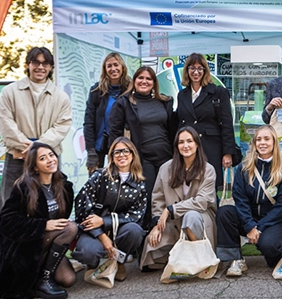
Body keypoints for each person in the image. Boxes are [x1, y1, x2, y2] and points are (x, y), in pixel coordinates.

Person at [0, 142, 78, 299]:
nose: (50, 160)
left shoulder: (64, 186)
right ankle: (42, 280)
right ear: (35, 167)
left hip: (49, 242)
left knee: (68, 279)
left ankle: (41, 276)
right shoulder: (24, 188)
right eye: (43, 158)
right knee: (70, 228)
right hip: (27, 245)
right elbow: (6, 220)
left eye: (51, 155)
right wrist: (43, 225)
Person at [0, 47, 72, 212]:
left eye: (45, 63)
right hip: (17, 158)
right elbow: (5, 123)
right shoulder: (9, 92)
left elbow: (62, 125)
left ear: (51, 67)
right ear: (28, 64)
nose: (40, 67)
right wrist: (29, 148)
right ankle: (3, 240)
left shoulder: (61, 97)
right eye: (36, 62)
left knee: (48, 208)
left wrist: (39, 150)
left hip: (48, 161)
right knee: (8, 209)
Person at [216, 125, 282, 277]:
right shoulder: (243, 169)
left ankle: (276, 249)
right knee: (225, 212)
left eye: (266, 139)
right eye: (258, 139)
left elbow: (281, 207)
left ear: (274, 143)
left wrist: (258, 228)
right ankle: (236, 259)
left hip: (275, 220)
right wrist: (250, 225)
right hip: (249, 218)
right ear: (254, 144)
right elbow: (240, 200)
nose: (262, 143)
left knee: (270, 248)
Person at [141, 126, 218, 271]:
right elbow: (158, 199)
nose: (186, 145)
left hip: (200, 218)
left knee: (190, 216)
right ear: (177, 146)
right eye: (181, 142)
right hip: (173, 221)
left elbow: (202, 202)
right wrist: (157, 224)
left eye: (190, 141)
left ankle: (200, 258)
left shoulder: (208, 169)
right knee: (152, 246)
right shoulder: (165, 168)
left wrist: (170, 210)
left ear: (197, 144)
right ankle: (178, 258)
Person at [72, 136, 147, 281]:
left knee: (135, 230)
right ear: (111, 156)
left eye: (126, 151)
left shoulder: (139, 184)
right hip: (92, 230)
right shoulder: (99, 176)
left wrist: (104, 221)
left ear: (133, 155)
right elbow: (82, 207)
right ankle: (93, 264)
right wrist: (101, 235)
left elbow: (136, 215)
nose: (121, 155)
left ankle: (119, 261)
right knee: (89, 252)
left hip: (119, 229)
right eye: (116, 152)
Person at [109, 66, 175, 225]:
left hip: (167, 157)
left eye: (148, 79)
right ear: (134, 81)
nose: (144, 81)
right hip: (143, 158)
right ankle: (146, 235)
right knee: (149, 197)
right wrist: (117, 158)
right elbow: (114, 133)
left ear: (154, 83)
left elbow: (172, 128)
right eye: (141, 78)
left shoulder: (164, 101)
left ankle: (168, 236)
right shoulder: (124, 103)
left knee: (169, 196)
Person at [175, 53, 237, 190]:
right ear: (187, 71)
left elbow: (227, 124)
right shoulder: (182, 95)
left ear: (205, 71)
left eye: (200, 68)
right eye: (192, 68)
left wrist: (227, 153)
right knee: (190, 187)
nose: (196, 72)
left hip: (211, 148)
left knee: (210, 187)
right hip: (189, 150)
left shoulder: (218, 92)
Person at [83, 52, 132, 174]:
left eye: (116, 65)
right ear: (105, 69)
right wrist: (90, 150)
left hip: (121, 145)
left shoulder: (130, 90)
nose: (113, 69)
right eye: (109, 66)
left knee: (118, 180)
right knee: (95, 183)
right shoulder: (96, 91)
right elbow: (89, 121)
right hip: (98, 145)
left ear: (122, 67)